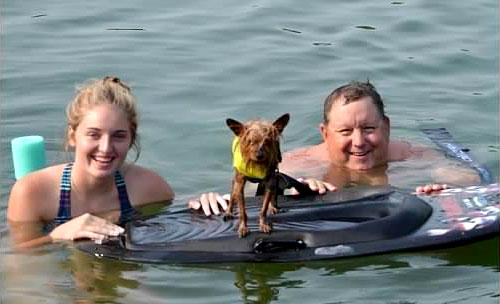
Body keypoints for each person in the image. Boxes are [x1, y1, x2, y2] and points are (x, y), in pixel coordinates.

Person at [189, 81, 481, 214]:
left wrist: (443, 189)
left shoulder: (412, 156)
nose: (358, 141)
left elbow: (471, 179)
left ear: (387, 127)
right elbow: (251, 190)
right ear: (325, 133)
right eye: (345, 131)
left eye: (369, 129)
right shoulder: (297, 164)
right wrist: (293, 188)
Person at [7, 76, 174, 249]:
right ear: (72, 136)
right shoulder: (31, 192)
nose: (105, 148)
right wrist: (57, 236)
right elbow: (19, 262)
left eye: (119, 136)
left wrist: (201, 203)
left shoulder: (149, 187)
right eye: (94, 134)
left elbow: (177, 215)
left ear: (131, 140)